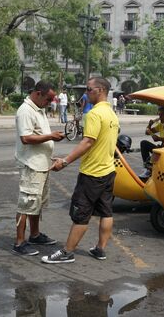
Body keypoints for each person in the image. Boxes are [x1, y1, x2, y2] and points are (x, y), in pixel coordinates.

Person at [42, 76, 119, 264]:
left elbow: (87, 142)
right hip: (108, 172)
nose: (86, 93)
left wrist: (65, 161)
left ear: (100, 90)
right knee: (106, 212)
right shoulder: (112, 114)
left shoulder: (94, 114)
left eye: (89, 89)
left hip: (92, 174)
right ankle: (100, 249)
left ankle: (67, 252)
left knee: (81, 214)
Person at [13, 80, 65, 256]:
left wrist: (50, 152)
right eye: (48, 99)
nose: (49, 103)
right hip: (31, 165)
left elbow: (38, 136)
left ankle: (34, 234)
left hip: (42, 163)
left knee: (37, 203)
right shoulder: (26, 111)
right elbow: (26, 138)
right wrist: (51, 136)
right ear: (38, 94)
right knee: (26, 203)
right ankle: (19, 242)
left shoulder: (39, 109)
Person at [138, 106, 164, 179]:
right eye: (159, 115)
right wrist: (150, 124)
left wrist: (160, 138)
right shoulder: (161, 125)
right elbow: (147, 132)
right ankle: (148, 168)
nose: (160, 117)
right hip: (161, 149)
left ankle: (151, 167)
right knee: (144, 143)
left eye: (162, 115)